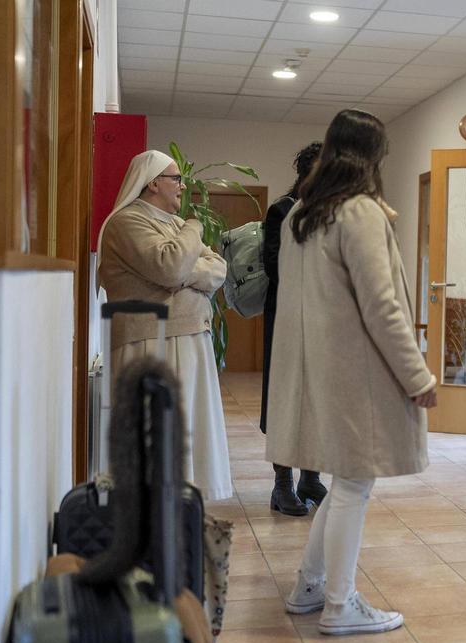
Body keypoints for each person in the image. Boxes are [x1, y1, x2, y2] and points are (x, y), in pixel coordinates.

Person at [267, 109, 436, 636]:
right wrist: (418, 377)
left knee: (345, 483)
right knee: (354, 485)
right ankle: (340, 604)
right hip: (357, 374)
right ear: (370, 158)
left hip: (319, 369)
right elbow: (382, 307)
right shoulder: (358, 212)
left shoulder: (304, 214)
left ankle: (310, 585)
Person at [98, 150, 232, 501]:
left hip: (187, 338)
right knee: (160, 436)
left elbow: (218, 269)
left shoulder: (171, 226)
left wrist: (185, 269)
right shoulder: (127, 222)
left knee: (187, 431)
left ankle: (182, 506)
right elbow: (171, 266)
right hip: (152, 343)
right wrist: (194, 227)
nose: (182, 186)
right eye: (176, 179)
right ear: (153, 182)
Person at [261, 141, 326, 517]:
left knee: (316, 400)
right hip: (287, 321)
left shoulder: (331, 214)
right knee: (286, 400)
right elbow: (276, 269)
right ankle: (282, 484)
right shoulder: (282, 212)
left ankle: (310, 478)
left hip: (321, 323)